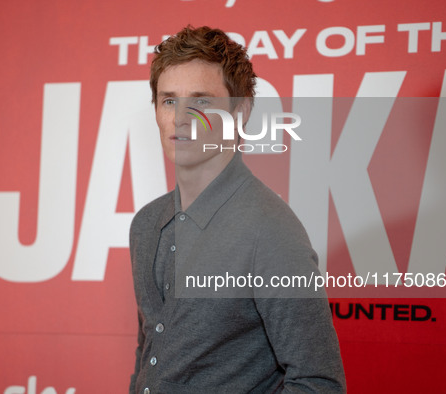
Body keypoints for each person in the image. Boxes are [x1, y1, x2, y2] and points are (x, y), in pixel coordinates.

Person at [129, 25, 345, 393]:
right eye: (168, 100)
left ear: (240, 111)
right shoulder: (146, 223)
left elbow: (318, 383)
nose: (181, 118)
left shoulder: (269, 230)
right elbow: (152, 353)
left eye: (201, 101)